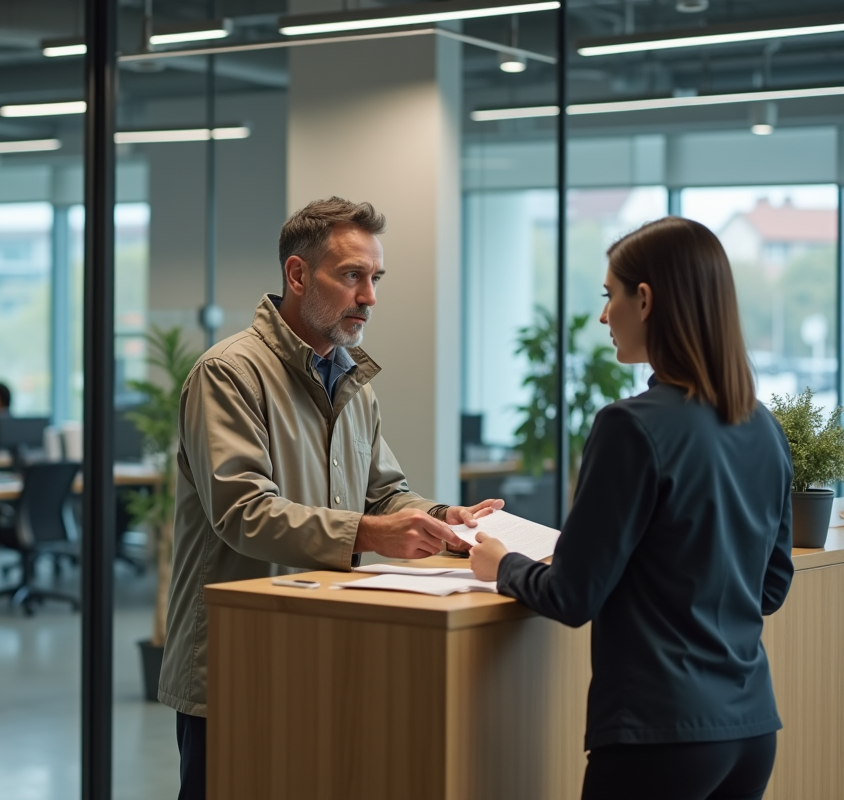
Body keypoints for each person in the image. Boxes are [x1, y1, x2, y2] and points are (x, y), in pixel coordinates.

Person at [158, 197, 504, 800]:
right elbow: (244, 512)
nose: (369, 296)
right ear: (297, 275)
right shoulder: (228, 374)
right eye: (351, 276)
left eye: (374, 278)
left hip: (323, 654)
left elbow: (386, 492)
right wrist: (373, 534)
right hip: (236, 666)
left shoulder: (351, 384)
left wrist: (438, 519)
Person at [469, 216, 794, 800]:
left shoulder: (630, 427)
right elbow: (769, 587)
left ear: (643, 300)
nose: (602, 316)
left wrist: (503, 564)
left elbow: (572, 596)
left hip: (658, 736)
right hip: (749, 733)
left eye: (608, 296)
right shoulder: (763, 429)